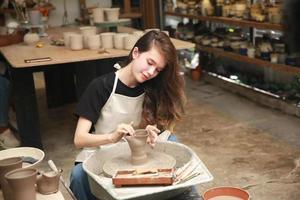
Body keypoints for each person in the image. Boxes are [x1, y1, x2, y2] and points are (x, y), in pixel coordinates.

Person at [70, 30, 186, 200]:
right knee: (78, 175)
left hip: (135, 150)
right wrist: (112, 137)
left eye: (157, 69)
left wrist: (150, 130)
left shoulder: (151, 86)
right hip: (105, 149)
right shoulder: (101, 86)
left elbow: (151, 124)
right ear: (136, 53)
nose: (151, 72)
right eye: (149, 62)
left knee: (174, 143)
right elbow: (79, 139)